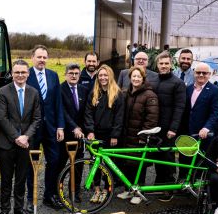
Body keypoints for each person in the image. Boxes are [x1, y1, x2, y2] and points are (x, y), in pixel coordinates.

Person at [0, 59, 42, 214]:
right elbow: (2, 118)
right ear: (12, 74)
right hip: (7, 144)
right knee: (6, 179)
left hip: (26, 143)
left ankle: (18, 209)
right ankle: (4, 211)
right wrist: (17, 137)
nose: (20, 75)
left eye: (23, 72)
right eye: (17, 72)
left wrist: (26, 137)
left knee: (22, 178)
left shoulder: (34, 92)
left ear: (28, 74)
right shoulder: (3, 92)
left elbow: (36, 119)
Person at [26, 45, 65, 210]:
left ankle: (49, 195)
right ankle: (30, 199)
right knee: (31, 163)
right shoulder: (25, 75)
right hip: (32, 129)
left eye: (44, 57)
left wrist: (60, 126)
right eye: (39, 57)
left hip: (51, 127)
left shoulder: (53, 75)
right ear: (32, 58)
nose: (42, 60)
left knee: (55, 160)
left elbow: (58, 103)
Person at [117, 66, 159, 203]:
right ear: (130, 78)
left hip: (139, 136)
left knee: (139, 165)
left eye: (138, 77)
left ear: (143, 78)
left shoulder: (150, 95)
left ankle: (138, 193)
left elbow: (152, 118)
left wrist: (143, 136)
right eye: (133, 76)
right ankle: (128, 190)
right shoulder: (126, 93)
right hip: (126, 135)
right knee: (127, 164)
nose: (136, 79)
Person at [84, 65, 124, 203]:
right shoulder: (93, 93)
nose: (103, 77)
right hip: (95, 135)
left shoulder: (117, 94)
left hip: (110, 136)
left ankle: (107, 189)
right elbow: (88, 114)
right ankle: (96, 189)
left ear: (110, 76)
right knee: (95, 163)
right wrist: (90, 131)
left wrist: (115, 135)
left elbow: (119, 117)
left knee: (109, 164)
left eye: (105, 75)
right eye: (100, 75)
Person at [152, 52, 186, 185]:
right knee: (157, 155)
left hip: (168, 129)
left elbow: (179, 107)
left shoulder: (178, 83)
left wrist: (173, 128)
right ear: (157, 65)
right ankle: (159, 182)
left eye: (166, 63)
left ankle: (169, 185)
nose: (164, 66)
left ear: (171, 64)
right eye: (161, 63)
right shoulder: (153, 81)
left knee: (168, 157)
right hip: (155, 127)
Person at [60, 63, 89, 199]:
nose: (74, 76)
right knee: (60, 164)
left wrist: (86, 129)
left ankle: (75, 192)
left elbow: (86, 112)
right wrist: (74, 127)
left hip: (80, 135)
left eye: (76, 73)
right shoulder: (60, 89)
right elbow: (63, 112)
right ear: (66, 74)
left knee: (78, 166)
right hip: (65, 134)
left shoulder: (84, 89)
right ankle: (57, 192)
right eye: (71, 73)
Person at [182, 62, 218, 147]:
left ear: (209, 74)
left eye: (204, 73)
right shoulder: (188, 89)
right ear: (194, 73)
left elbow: (216, 112)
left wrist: (206, 128)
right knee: (185, 159)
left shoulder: (215, 90)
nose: (201, 75)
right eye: (198, 72)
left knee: (201, 159)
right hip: (187, 132)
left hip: (203, 134)